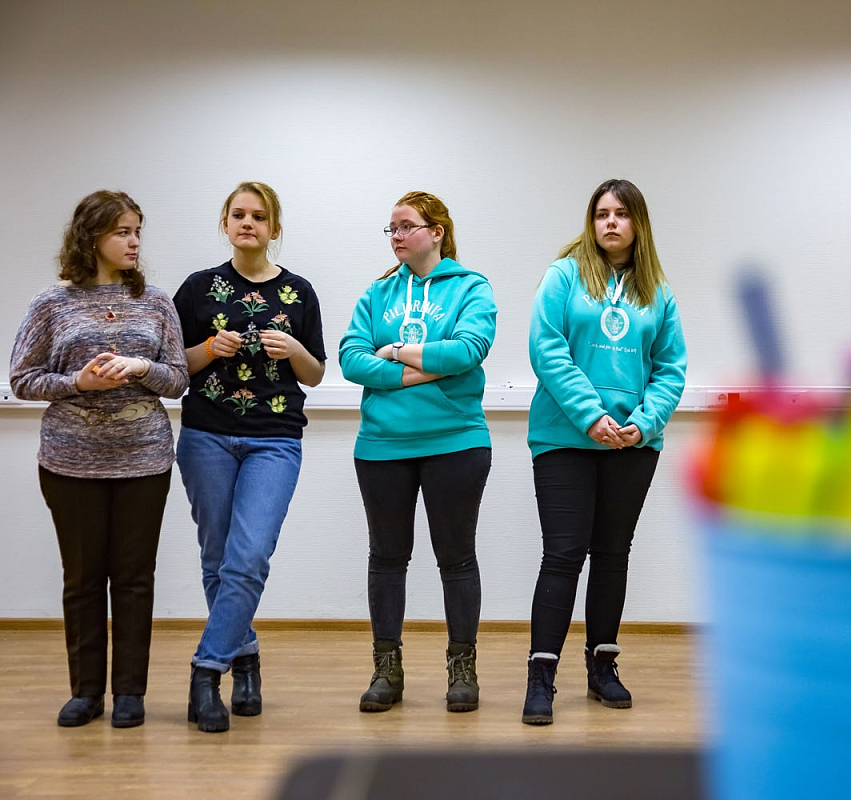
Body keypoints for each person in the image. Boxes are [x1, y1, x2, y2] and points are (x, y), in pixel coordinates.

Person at [10, 190, 188, 728]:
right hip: (70, 463)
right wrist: (77, 383)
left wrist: (140, 367)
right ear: (91, 238)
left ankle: (130, 692)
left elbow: (178, 379)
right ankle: (86, 692)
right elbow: (22, 379)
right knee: (83, 578)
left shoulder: (156, 302)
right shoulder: (51, 303)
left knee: (134, 577)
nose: (134, 243)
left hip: (144, 460)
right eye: (122, 232)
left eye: (137, 232)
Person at [522, 179, 687, 725]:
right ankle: (541, 676)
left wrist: (644, 423)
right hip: (565, 437)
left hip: (632, 444)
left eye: (621, 214)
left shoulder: (657, 291)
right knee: (563, 553)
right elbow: (546, 348)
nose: (610, 222)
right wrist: (591, 415)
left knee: (613, 553)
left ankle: (602, 667)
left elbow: (670, 368)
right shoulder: (563, 275)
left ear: (638, 223)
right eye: (601, 214)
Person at [172, 181, 326, 733]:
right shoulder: (197, 289)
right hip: (206, 436)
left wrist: (296, 349)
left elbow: (316, 373)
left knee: (250, 556)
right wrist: (208, 348)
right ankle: (246, 658)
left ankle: (206, 670)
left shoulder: (299, 292)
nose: (248, 223)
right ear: (226, 224)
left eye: (259, 217)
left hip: (275, 439)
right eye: (238, 214)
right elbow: (172, 370)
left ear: (273, 228)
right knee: (217, 559)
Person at [340, 191, 496, 714]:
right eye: (392, 228)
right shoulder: (378, 292)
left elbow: (469, 350)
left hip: (456, 441)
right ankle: (387, 668)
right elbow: (350, 358)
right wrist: (420, 372)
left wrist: (394, 353)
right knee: (387, 558)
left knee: (456, 557)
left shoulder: (471, 287)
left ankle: (462, 666)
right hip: (382, 445)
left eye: (407, 226)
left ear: (438, 232)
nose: (397, 236)